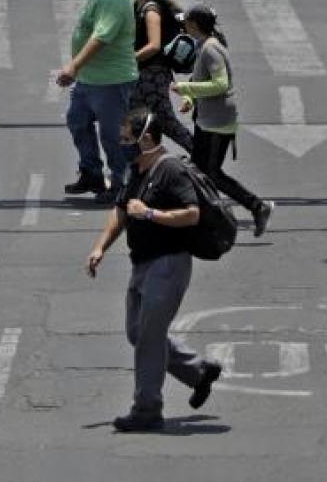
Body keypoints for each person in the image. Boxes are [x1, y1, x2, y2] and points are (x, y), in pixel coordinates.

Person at [86, 108, 224, 432]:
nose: (122, 144)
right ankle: (198, 371)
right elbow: (121, 210)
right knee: (138, 332)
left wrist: (150, 214)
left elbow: (192, 214)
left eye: (126, 139)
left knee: (148, 338)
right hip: (142, 265)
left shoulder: (171, 170)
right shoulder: (138, 169)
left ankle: (147, 408)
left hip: (168, 265)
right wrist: (99, 248)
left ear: (146, 138)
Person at [172, 3, 274, 239]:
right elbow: (199, 78)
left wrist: (186, 87)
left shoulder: (211, 49)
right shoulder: (203, 46)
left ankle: (257, 207)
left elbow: (220, 84)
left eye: (185, 22)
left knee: (212, 174)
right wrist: (189, 97)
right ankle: (202, 221)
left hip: (218, 121)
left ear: (194, 25)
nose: (183, 26)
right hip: (206, 118)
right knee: (199, 173)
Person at [56, 0, 138, 202]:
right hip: (91, 80)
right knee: (77, 121)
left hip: (111, 81)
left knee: (112, 135)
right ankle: (91, 172)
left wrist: (74, 65)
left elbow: (102, 37)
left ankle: (121, 184)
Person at [126, 0, 193, 154]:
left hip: (152, 75)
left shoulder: (150, 10)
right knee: (138, 122)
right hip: (148, 75)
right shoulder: (139, 6)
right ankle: (137, 167)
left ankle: (202, 158)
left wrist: (131, 60)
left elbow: (154, 46)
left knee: (162, 123)